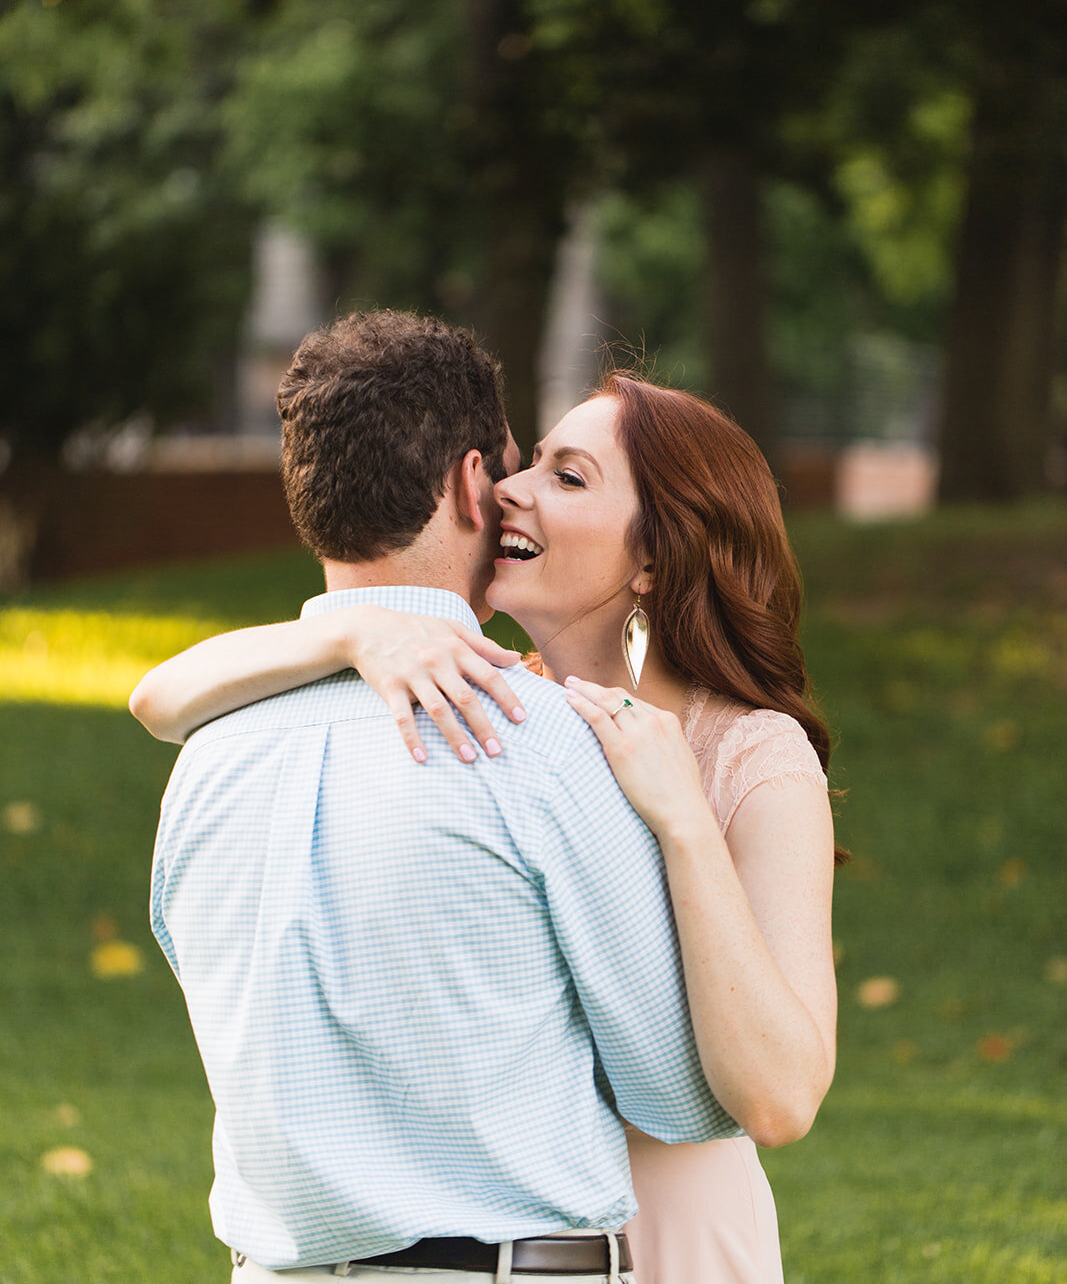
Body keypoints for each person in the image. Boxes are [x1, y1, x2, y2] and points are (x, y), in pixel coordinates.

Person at [135, 336, 839, 1284]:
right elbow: (159, 697)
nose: (512, 490)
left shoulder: (746, 756)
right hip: (520, 1215)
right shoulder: (497, 708)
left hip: (671, 1226)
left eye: (568, 478)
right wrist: (350, 626)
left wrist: (680, 821)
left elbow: (781, 1100)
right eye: (523, 464)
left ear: (653, 556)